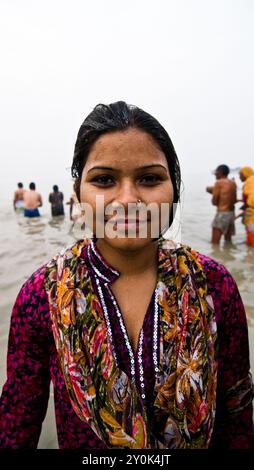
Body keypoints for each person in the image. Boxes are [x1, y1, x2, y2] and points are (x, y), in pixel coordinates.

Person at [0, 101, 253, 449]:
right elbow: (18, 418)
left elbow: (237, 409)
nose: (129, 198)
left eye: (150, 179)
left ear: (173, 190)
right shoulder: (40, 296)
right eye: (104, 180)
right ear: (78, 193)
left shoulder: (214, 284)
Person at [206, 164, 237, 244]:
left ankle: (216, 256)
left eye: (216, 171)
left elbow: (214, 202)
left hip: (222, 214)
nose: (215, 174)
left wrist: (212, 193)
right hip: (231, 214)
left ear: (220, 172)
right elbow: (234, 200)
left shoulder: (218, 183)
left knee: (214, 243)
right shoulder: (233, 183)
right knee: (228, 241)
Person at [239, 166, 254, 247]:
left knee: (252, 237)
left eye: (240, 174)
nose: (239, 177)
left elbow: (252, 200)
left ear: (245, 174)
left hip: (252, 215)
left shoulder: (249, 182)